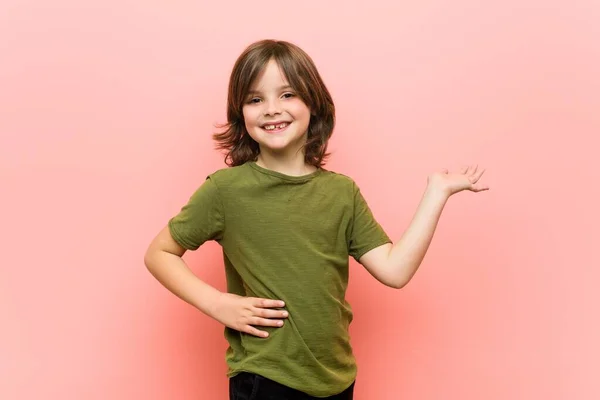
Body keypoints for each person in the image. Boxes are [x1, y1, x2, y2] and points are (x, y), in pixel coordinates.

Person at [144, 39, 489, 400]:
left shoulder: (342, 192)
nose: (271, 110)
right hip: (266, 376)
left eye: (288, 94)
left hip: (336, 378)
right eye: (255, 99)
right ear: (240, 113)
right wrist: (218, 304)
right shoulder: (226, 191)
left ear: (314, 103)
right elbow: (159, 253)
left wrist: (437, 192)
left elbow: (395, 270)